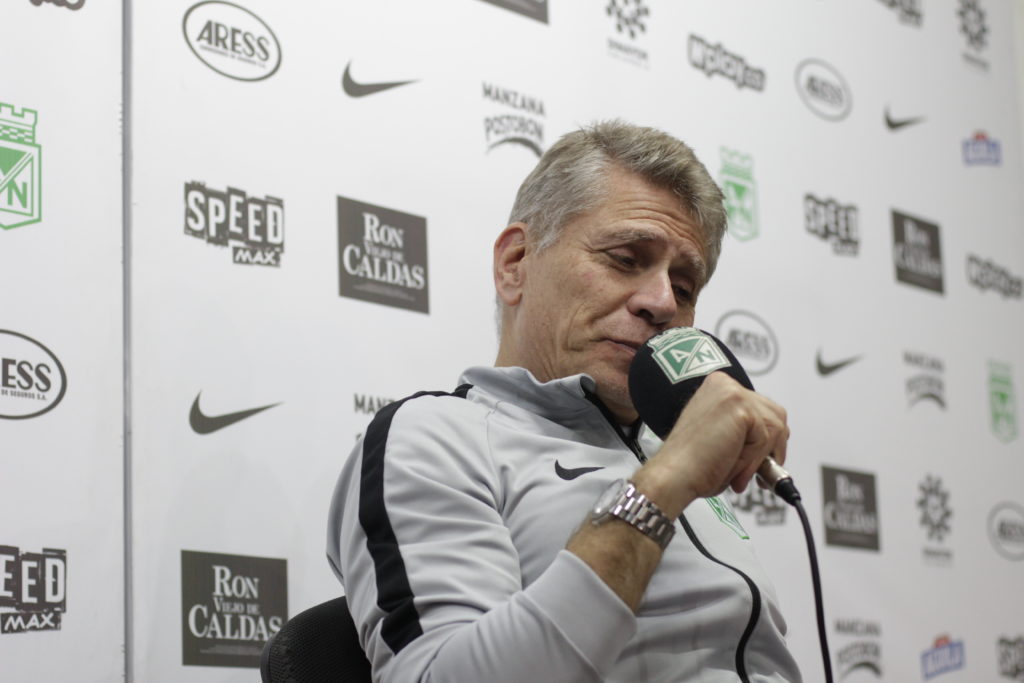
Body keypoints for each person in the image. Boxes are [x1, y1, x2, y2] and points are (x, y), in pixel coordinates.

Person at [327, 120, 802, 682]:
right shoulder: (435, 438)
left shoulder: (669, 447)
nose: (661, 303)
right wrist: (664, 484)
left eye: (683, 287)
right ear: (515, 263)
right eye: (625, 258)